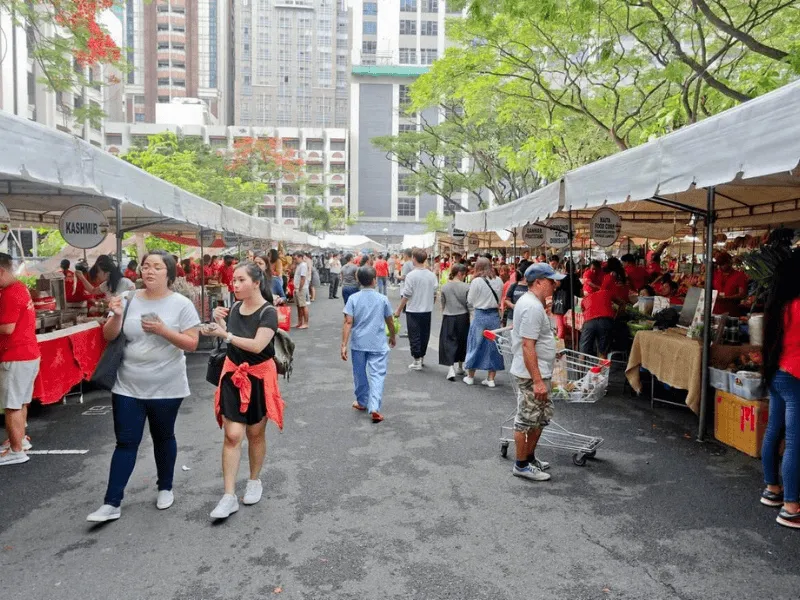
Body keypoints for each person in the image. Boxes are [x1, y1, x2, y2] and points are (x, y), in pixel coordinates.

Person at [86, 251, 201, 522]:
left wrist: (163, 331)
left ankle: (165, 487)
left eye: (157, 267)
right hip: (127, 385)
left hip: (167, 386)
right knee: (126, 441)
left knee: (163, 437)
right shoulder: (128, 299)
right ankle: (111, 503)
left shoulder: (181, 304)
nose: (149, 271)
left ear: (169, 275)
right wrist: (115, 316)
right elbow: (108, 335)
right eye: (146, 266)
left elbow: (192, 343)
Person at [205, 262, 284, 520]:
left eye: (240, 280)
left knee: (255, 433)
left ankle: (254, 480)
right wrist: (218, 322)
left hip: (259, 378)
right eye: (234, 280)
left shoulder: (268, 313)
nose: (235, 285)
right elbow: (229, 336)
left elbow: (258, 345)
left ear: (256, 283)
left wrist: (225, 335)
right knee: (232, 435)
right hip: (233, 376)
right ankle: (228, 496)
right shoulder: (235, 308)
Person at [509, 263, 565, 481]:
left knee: (539, 418)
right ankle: (521, 464)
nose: (555, 284)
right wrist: (537, 380)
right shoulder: (532, 306)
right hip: (532, 373)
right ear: (539, 282)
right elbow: (527, 345)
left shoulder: (532, 303)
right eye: (551, 280)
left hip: (536, 371)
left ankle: (529, 458)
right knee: (527, 419)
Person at [761, 251, 800, 528]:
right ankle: (791, 508)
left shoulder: (776, 306)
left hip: (776, 373)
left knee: (774, 431)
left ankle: (772, 489)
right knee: (796, 441)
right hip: (795, 375)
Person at [0, 254, 41, 466]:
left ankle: (16, 450)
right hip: (28, 354)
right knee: (20, 402)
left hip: (15, 355)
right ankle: (20, 441)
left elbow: (7, 327)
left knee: (11, 405)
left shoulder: (9, 293)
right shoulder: (19, 288)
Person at [341, 266, 396, 423]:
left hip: (358, 342)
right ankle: (374, 407)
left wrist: (343, 344)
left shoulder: (353, 299)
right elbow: (390, 321)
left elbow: (348, 322)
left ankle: (362, 401)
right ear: (374, 280)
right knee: (377, 375)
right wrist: (392, 336)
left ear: (358, 280)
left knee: (359, 373)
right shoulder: (382, 299)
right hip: (378, 343)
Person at [463, 257, 504, 387]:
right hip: (494, 316)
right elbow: (500, 298)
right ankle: (491, 379)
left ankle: (470, 376)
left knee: (475, 344)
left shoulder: (476, 281)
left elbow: (470, 300)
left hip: (480, 315)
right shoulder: (499, 280)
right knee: (493, 346)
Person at [394, 249, 438, 371]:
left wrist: (398, 310)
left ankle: (417, 359)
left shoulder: (411, 275)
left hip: (413, 310)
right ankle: (421, 357)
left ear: (414, 258)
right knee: (424, 334)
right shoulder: (431, 275)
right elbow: (435, 292)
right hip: (427, 310)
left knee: (414, 335)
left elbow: (406, 294)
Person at [580, 258, 630, 359]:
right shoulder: (609, 290)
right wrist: (618, 314)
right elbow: (622, 302)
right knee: (603, 352)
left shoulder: (586, 298)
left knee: (583, 352)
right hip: (606, 321)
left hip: (589, 322)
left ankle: (580, 372)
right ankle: (601, 373)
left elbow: (583, 312)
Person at [439, 264, 470, 381]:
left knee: (449, 342)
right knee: (462, 341)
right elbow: (469, 303)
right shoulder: (467, 287)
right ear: (460, 274)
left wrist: (444, 311)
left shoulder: (445, 286)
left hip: (449, 316)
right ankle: (461, 367)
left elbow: (442, 302)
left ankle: (451, 368)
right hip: (463, 316)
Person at [713, 251, 748, 316]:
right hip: (716, 312)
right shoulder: (715, 274)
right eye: (719, 264)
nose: (720, 267)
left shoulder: (740, 275)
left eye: (723, 264)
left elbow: (742, 294)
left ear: (730, 262)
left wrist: (727, 298)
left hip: (732, 313)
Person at [292, 252, 309, 329]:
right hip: (297, 288)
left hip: (301, 288)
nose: (295, 260)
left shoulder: (303, 265)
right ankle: (300, 322)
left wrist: (300, 288)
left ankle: (305, 323)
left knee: (303, 305)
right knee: (298, 306)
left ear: (300, 257)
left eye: (296, 258)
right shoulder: (299, 265)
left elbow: (303, 278)